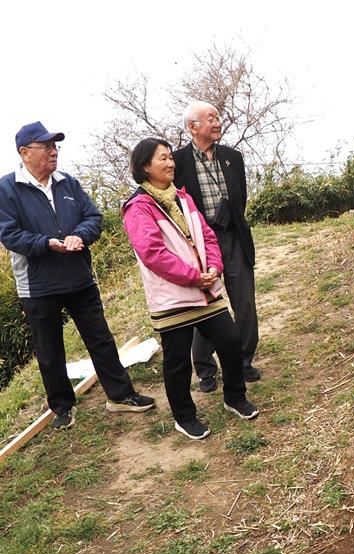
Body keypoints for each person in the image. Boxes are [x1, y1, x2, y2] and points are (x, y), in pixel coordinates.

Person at [0, 121, 155, 429]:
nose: (53, 152)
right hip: (38, 285)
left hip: (79, 277)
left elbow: (93, 217)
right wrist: (46, 243)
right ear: (25, 152)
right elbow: (9, 234)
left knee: (101, 339)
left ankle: (120, 396)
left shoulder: (67, 182)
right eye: (46, 147)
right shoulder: (7, 189)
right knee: (49, 350)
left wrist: (79, 235)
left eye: (55, 146)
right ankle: (62, 407)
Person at [123, 138, 258, 440]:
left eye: (170, 157)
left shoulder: (183, 197)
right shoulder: (138, 207)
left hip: (205, 289)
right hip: (172, 297)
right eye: (162, 158)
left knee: (230, 342)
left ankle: (235, 397)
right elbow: (153, 254)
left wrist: (214, 267)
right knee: (177, 361)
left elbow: (207, 236)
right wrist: (193, 277)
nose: (170, 163)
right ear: (145, 166)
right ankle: (184, 417)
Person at [172, 101, 260, 392]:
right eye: (211, 118)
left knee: (244, 301)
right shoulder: (177, 161)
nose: (218, 122)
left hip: (233, 236)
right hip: (200, 242)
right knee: (207, 303)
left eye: (218, 117)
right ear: (192, 127)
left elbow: (240, 198)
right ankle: (205, 368)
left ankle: (244, 360)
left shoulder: (232, 157)